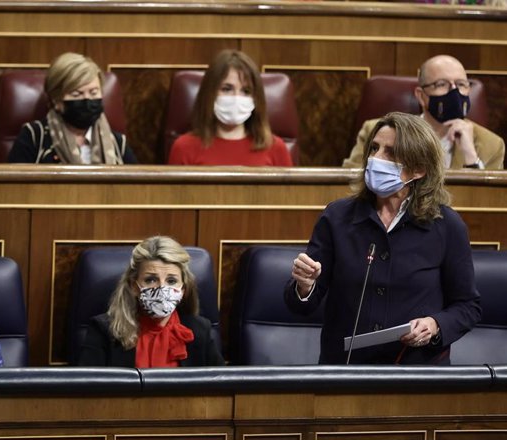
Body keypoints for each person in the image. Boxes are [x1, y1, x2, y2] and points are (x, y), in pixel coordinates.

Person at [286, 112, 481, 365]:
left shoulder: (445, 225)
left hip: (416, 373)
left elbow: (468, 306)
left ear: (419, 168)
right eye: (374, 148)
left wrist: (435, 325)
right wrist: (304, 286)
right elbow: (302, 304)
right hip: (346, 372)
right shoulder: (337, 217)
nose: (375, 159)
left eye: (390, 152)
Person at [78, 236, 224, 367]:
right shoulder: (104, 331)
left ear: (183, 290)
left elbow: (222, 388)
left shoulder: (199, 330)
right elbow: (87, 391)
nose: (161, 288)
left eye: (171, 281)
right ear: (134, 287)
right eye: (151, 280)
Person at [343, 55, 504, 170]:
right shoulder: (377, 133)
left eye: (461, 84)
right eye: (442, 84)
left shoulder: (491, 145)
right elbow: (349, 183)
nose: (454, 92)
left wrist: (471, 156)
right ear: (421, 96)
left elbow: (487, 202)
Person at [167, 49, 293, 166]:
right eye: (227, 89)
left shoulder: (276, 148)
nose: (236, 97)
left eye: (246, 91)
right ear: (210, 93)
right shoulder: (184, 147)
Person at [8, 52, 136, 164]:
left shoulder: (118, 143)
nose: (87, 100)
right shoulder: (34, 137)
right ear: (57, 100)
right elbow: (16, 188)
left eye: (93, 92)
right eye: (77, 94)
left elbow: (136, 188)